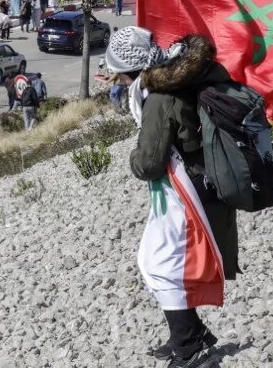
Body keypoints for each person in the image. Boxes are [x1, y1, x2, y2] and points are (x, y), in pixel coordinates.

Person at [105, 27, 238, 368]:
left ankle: (189, 345)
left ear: (130, 69)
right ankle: (191, 333)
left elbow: (149, 163)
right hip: (194, 184)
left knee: (161, 265)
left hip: (186, 192)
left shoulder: (158, 99)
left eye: (118, 72)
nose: (116, 79)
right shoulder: (173, 79)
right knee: (152, 260)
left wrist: (132, 158)